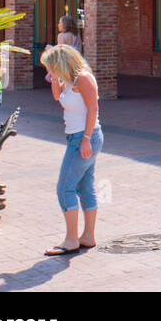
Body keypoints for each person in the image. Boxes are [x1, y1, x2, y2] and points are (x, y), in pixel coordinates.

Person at [40, 44, 104, 256]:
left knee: (64, 187)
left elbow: (93, 109)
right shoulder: (68, 80)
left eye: (52, 67)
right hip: (76, 137)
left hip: (84, 138)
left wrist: (85, 139)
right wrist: (54, 78)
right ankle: (88, 236)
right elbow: (57, 97)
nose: (51, 71)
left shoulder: (83, 78)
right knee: (85, 186)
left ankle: (70, 240)